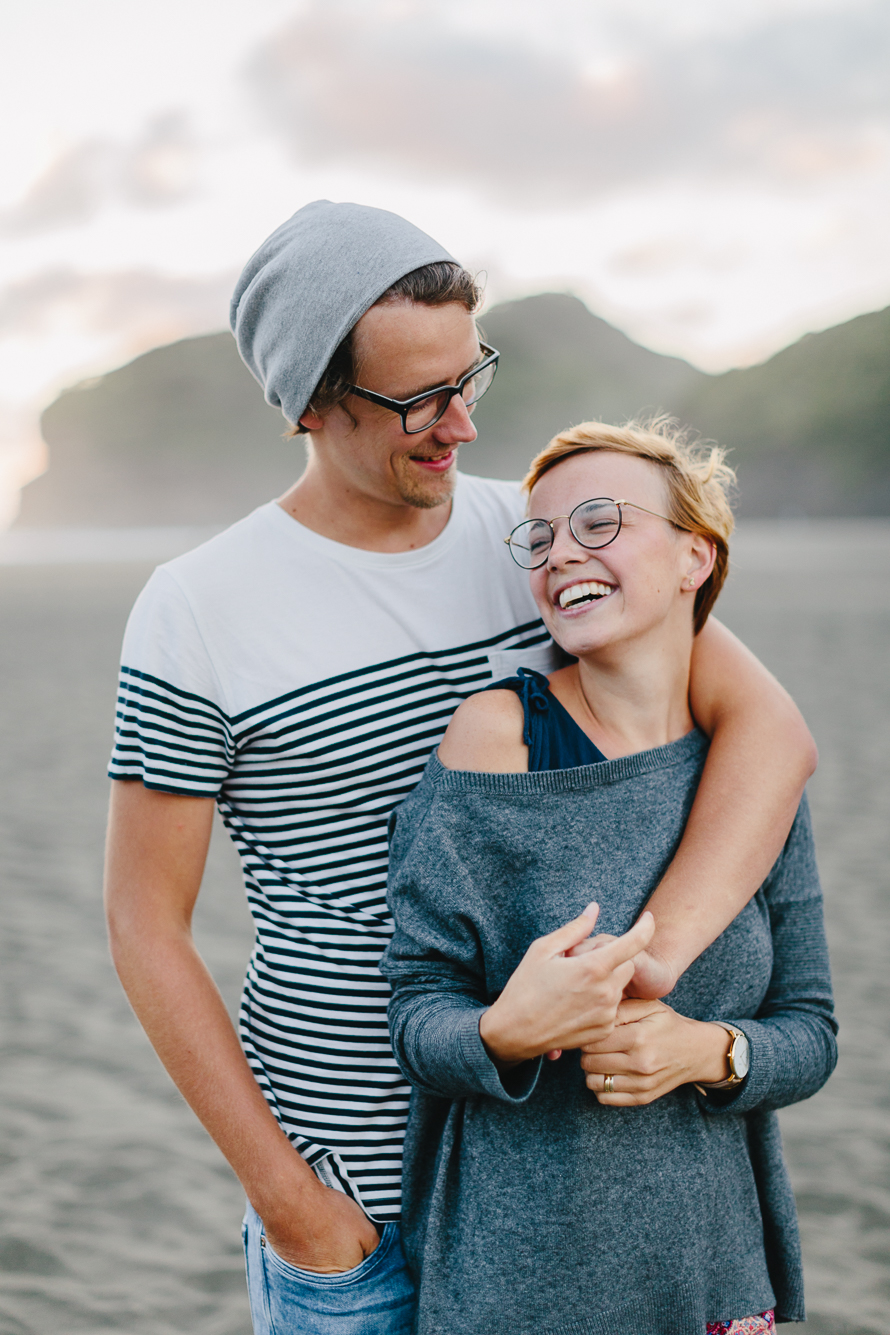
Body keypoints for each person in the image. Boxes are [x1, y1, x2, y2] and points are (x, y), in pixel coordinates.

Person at [103, 202, 817, 1335]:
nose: (462, 427)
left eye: (468, 377)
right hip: (357, 1208)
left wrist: (652, 961)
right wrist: (294, 1208)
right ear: (306, 405)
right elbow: (144, 923)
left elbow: (769, 731)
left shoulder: (537, 544)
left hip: (548, 1189)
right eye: (416, 401)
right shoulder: (198, 610)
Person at [381, 420, 837, 1335]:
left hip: (712, 1283)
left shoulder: (750, 779)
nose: (560, 555)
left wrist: (708, 1052)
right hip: (516, 1291)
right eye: (540, 538)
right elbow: (416, 1008)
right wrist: (505, 1031)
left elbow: (812, 1031)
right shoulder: (498, 736)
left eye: (599, 522)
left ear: (693, 558)